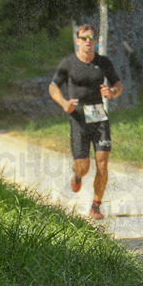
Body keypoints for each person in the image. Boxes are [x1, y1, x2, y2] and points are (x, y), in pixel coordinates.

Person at [48, 24, 123, 220]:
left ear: (96, 41)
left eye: (92, 37)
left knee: (103, 164)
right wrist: (64, 103)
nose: (88, 41)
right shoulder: (69, 63)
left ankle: (96, 206)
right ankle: (78, 175)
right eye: (84, 38)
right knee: (84, 166)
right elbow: (53, 86)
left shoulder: (103, 62)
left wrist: (112, 92)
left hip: (99, 117)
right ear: (78, 41)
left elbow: (117, 84)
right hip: (78, 118)